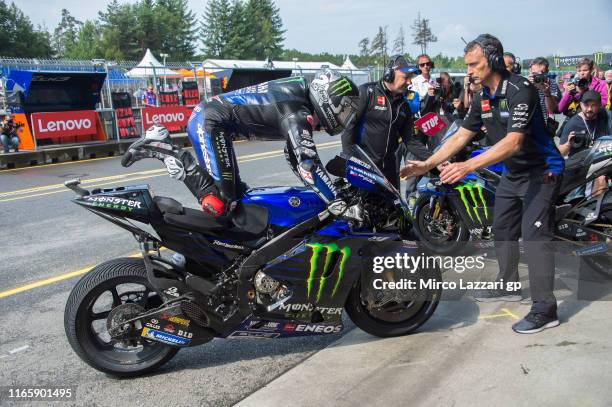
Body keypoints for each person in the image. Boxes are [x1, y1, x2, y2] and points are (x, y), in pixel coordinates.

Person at [400, 34, 565, 334]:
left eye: (474, 65)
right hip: (513, 175)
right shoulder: (482, 96)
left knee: (533, 239)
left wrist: (467, 166)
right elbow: (462, 134)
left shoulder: (520, 90)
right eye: (467, 66)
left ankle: (545, 308)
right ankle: (508, 283)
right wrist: (427, 164)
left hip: (542, 174)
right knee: (501, 229)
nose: (469, 71)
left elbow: (514, 142)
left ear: (492, 60)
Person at [122, 69, 360, 218]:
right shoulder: (297, 112)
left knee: (237, 197)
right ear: (330, 97)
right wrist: (337, 203)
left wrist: (327, 194)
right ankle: (167, 150)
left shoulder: (299, 100)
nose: (345, 115)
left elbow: (294, 157)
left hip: (217, 124)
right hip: (210, 121)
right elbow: (307, 164)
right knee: (219, 203)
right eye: (345, 107)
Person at [341, 55, 429, 189]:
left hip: (389, 171)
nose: (409, 82)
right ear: (389, 75)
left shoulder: (404, 104)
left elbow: (411, 141)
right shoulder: (366, 92)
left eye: (410, 78)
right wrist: (352, 162)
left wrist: (435, 160)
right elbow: (347, 129)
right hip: (362, 169)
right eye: (406, 77)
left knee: (395, 209)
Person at [527, 57, 560, 132]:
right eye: (535, 74)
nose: (538, 76)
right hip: (529, 124)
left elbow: (551, 110)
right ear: (530, 71)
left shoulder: (552, 83)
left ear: (547, 72)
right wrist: (527, 86)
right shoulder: (524, 83)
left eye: (542, 73)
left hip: (545, 124)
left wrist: (547, 93)